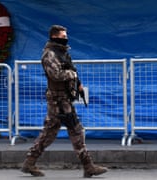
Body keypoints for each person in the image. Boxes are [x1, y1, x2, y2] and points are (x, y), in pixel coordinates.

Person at [21, 25, 108, 178]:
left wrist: (78, 83)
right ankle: (88, 166)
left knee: (51, 132)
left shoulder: (62, 53)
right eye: (62, 36)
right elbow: (56, 75)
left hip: (64, 99)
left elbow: (71, 69)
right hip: (58, 101)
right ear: (54, 37)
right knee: (74, 130)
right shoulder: (49, 54)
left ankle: (30, 162)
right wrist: (72, 75)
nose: (65, 39)